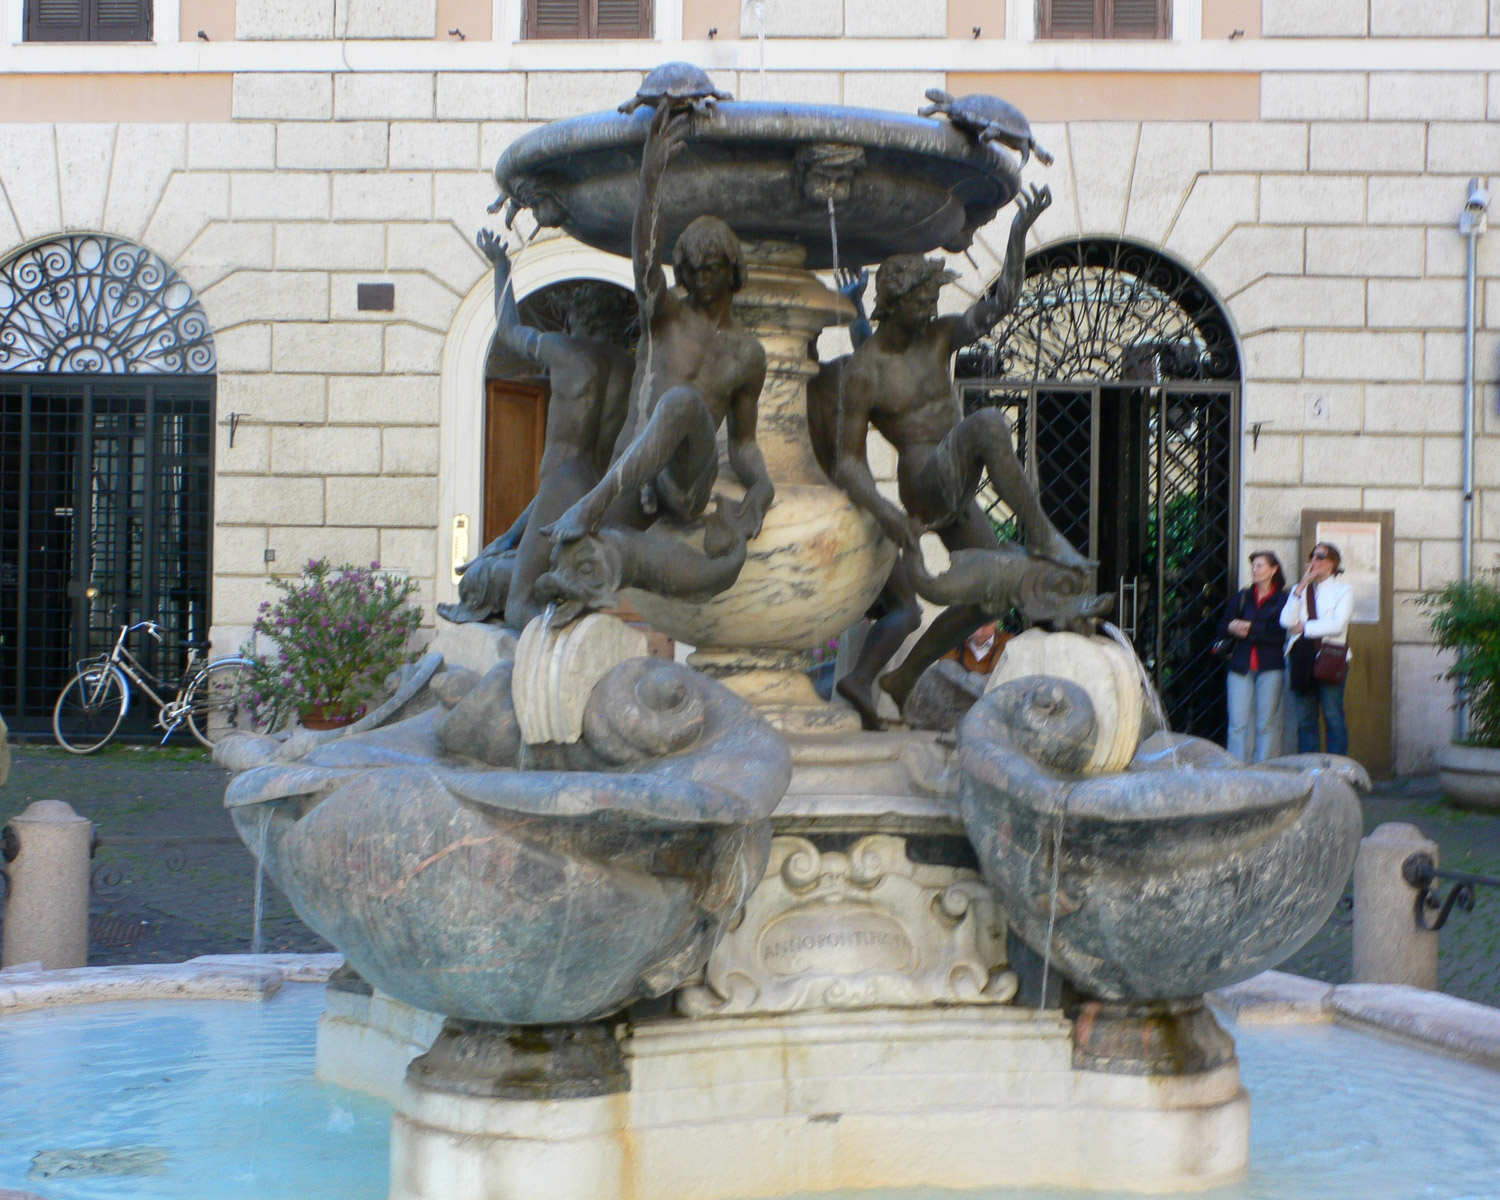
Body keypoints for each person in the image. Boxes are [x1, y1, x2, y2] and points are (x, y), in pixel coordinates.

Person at [826, 183, 1099, 710]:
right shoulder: (866, 370)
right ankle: (1045, 538)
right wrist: (887, 514)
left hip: (958, 485)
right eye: (922, 303)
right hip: (925, 479)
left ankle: (894, 677)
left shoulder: (937, 336)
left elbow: (1001, 303)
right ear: (896, 304)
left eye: (934, 301)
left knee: (988, 596)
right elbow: (847, 461)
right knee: (989, 424)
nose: (932, 310)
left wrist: (1019, 235)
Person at [539, 102, 772, 619]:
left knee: (685, 403)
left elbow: (745, 443)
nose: (702, 278)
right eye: (692, 269)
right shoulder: (663, 315)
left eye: (713, 268)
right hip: (629, 472)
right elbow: (644, 260)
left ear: (731, 270)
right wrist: (649, 183)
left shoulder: (747, 354)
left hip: (684, 483)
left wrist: (762, 486)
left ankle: (592, 505)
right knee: (565, 558)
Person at [437, 233, 635, 629]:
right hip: (599, 488)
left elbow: (509, 331)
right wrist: (507, 537)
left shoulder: (564, 352)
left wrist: (502, 269)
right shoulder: (628, 368)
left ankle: (552, 669)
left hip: (564, 479)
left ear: (578, 318)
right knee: (568, 584)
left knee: (518, 604)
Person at [1280, 541, 1353, 755]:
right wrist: (1301, 586)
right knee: (1305, 719)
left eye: (1320, 556)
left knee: (1333, 716)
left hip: (1329, 657)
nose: (1314, 560)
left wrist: (1305, 627)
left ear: (1331, 564)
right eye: (1313, 555)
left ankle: (1337, 769)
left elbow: (1338, 625)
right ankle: (1309, 768)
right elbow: (1285, 621)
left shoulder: (1343, 590)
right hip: (1301, 658)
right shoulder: (1298, 590)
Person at [1218, 550, 1288, 763]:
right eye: (1253, 566)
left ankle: (1262, 769)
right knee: (1237, 724)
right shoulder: (1242, 597)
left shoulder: (1283, 599)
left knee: (1265, 724)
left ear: (1273, 570)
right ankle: (1236, 770)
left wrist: (1251, 629)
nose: (1254, 570)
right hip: (1241, 665)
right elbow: (1221, 627)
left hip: (1270, 667)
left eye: (1260, 565)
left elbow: (1280, 633)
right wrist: (1231, 626)